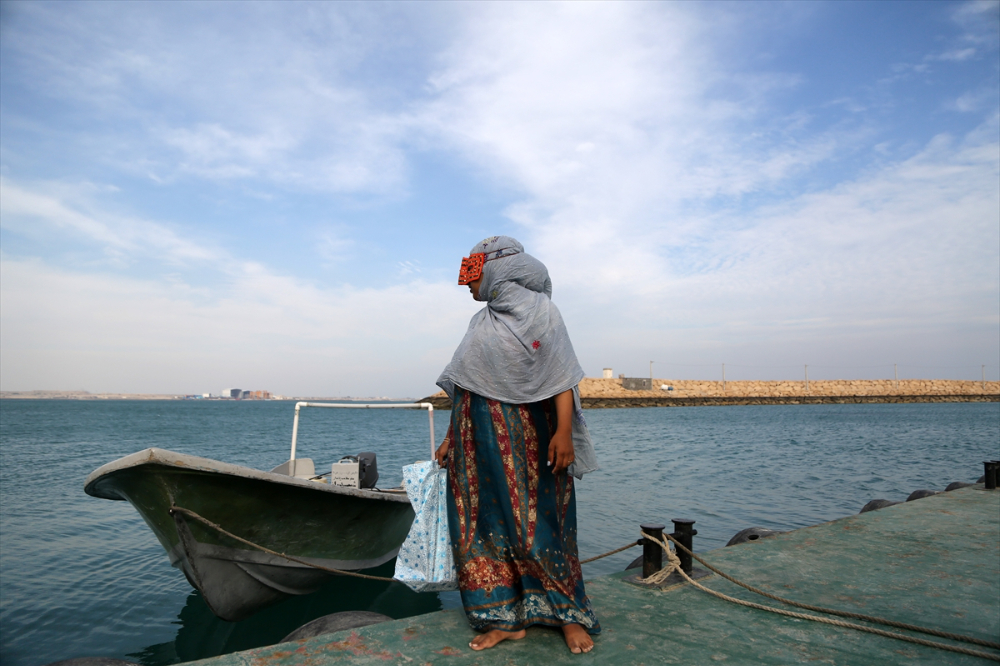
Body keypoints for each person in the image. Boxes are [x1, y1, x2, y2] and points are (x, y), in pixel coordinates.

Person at [434, 236, 600, 655]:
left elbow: (561, 374)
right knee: (482, 525)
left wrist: (563, 433)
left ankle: (567, 615)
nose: (467, 286)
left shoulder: (543, 313)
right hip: (475, 440)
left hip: (528, 438)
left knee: (539, 523)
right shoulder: (481, 322)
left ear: (496, 269)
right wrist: (451, 436)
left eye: (472, 274)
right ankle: (503, 618)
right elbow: (466, 384)